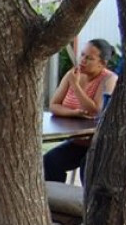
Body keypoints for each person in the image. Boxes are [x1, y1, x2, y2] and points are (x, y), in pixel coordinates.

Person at [42, 38, 118, 183]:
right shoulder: (73, 74)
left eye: (89, 58)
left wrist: (75, 86)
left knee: (87, 168)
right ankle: (57, 203)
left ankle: (86, 205)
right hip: (77, 142)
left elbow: (95, 110)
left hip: (97, 144)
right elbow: (54, 105)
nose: (83, 60)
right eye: (82, 55)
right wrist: (74, 113)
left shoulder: (109, 79)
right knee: (49, 162)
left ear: (102, 63)